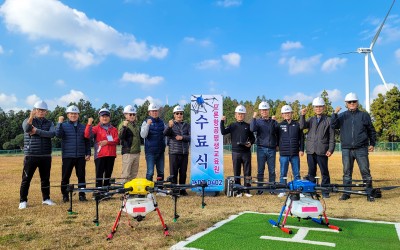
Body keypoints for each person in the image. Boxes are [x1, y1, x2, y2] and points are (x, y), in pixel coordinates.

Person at [331, 92, 377, 202]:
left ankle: (369, 193)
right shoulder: (342, 116)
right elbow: (333, 125)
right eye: (349, 102)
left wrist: (372, 143)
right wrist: (334, 114)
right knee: (347, 172)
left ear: (357, 102)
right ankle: (346, 193)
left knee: (365, 171)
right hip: (346, 149)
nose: (352, 103)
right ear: (346, 103)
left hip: (361, 148)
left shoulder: (364, 115)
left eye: (354, 101)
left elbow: (371, 130)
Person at [19, 101, 56, 209]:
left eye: (43, 110)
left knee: (45, 178)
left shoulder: (50, 123)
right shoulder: (27, 120)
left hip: (45, 155)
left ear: (46, 112)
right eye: (39, 110)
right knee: (26, 178)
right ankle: (23, 200)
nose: (41, 112)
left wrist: (37, 131)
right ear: (34, 110)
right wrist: (31, 118)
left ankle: (46, 199)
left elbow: (52, 134)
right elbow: (26, 129)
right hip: (31, 155)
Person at [299, 97, 335, 198]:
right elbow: (301, 127)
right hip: (311, 150)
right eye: (316, 107)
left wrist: (330, 149)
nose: (318, 108)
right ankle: (311, 190)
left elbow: (332, 137)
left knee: (324, 171)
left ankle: (325, 190)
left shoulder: (328, 120)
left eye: (320, 107)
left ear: (324, 107)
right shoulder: (310, 119)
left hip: (322, 150)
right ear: (314, 108)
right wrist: (302, 115)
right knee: (311, 172)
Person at [56, 105, 91, 202]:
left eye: (75, 114)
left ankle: (82, 195)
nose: (73, 115)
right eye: (71, 113)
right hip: (68, 156)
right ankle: (65, 195)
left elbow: (87, 141)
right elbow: (58, 134)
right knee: (65, 176)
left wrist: (88, 153)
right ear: (67, 115)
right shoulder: (63, 125)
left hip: (80, 156)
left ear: (78, 115)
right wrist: (59, 122)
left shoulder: (83, 126)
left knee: (81, 176)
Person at [221, 105, 255, 197]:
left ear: (244, 115)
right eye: (238, 114)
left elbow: (253, 138)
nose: (240, 115)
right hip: (236, 152)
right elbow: (223, 132)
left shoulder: (248, 126)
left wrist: (250, 143)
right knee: (237, 172)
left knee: (247, 172)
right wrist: (222, 121)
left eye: (242, 114)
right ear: (235, 115)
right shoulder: (232, 125)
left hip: (246, 152)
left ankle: (247, 190)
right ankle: (238, 190)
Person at [85, 108, 119, 188]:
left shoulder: (114, 129)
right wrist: (89, 124)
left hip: (111, 155)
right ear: (99, 118)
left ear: (109, 117)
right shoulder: (95, 128)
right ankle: (98, 191)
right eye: (102, 116)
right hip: (100, 155)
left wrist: (107, 142)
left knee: (108, 175)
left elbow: (117, 140)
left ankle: (106, 191)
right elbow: (87, 135)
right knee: (99, 175)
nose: (104, 118)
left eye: (106, 116)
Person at [250, 101, 279, 195]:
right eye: (262, 110)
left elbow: (277, 131)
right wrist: (253, 118)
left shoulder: (273, 121)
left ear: (268, 111)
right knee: (260, 170)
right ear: (260, 111)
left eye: (266, 110)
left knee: (272, 170)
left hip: (271, 148)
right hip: (261, 148)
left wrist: (274, 121)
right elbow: (252, 129)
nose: (264, 112)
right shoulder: (257, 121)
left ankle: (272, 188)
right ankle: (260, 188)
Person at [277, 105, 304, 197]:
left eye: (288, 112)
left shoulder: (297, 125)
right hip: (284, 153)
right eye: (285, 113)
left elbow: (302, 138)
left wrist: (301, 149)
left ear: (291, 113)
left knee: (296, 173)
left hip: (295, 153)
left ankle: (297, 190)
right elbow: (275, 137)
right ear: (282, 114)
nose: (287, 114)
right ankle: (282, 190)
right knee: (283, 173)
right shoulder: (279, 125)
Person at [163, 105, 191, 195]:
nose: (179, 115)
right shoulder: (171, 124)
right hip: (174, 152)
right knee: (173, 173)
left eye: (181, 113)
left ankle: (182, 190)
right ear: (174, 115)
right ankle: (174, 190)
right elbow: (165, 133)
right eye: (177, 113)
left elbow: (191, 137)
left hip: (184, 152)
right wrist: (169, 127)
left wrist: (182, 137)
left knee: (183, 173)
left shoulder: (187, 125)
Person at [140, 103, 166, 182]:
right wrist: (147, 125)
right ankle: (149, 190)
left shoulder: (162, 122)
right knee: (150, 172)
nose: (155, 112)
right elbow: (143, 135)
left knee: (161, 172)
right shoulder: (145, 122)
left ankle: (160, 189)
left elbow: (165, 135)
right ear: (149, 112)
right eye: (153, 111)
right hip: (150, 152)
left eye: (156, 111)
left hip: (160, 151)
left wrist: (164, 145)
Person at [118, 105, 141, 183]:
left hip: (136, 152)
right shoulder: (123, 124)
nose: (132, 116)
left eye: (133, 114)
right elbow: (121, 136)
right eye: (130, 114)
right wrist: (124, 127)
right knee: (126, 174)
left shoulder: (136, 125)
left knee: (134, 174)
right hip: (128, 153)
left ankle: (130, 191)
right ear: (125, 115)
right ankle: (124, 191)